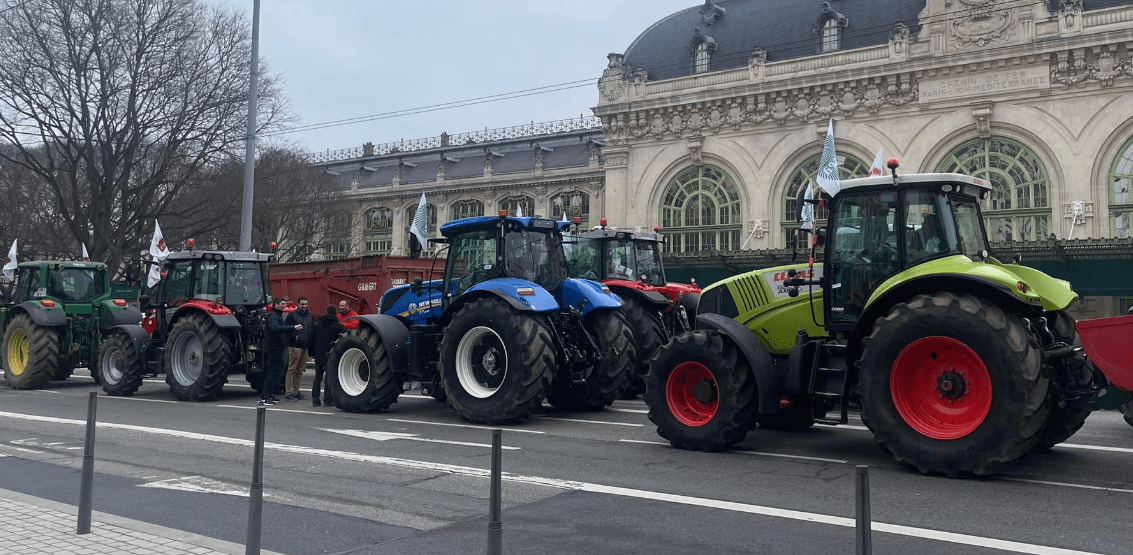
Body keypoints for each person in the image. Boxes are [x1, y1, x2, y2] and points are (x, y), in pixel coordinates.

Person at [261, 297, 301, 406]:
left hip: (278, 347)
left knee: (276, 373)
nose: (284, 305)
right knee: (273, 372)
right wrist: (292, 327)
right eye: (282, 303)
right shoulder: (272, 316)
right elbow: (275, 328)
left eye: (285, 304)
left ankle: (270, 394)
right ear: (276, 304)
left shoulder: (277, 315)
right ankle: (265, 397)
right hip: (273, 347)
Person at [310, 304, 345, 406]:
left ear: (325, 311)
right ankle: (328, 399)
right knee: (329, 377)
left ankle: (315, 400)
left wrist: (312, 353)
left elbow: (311, 340)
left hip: (319, 353)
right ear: (335, 313)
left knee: (318, 377)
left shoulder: (317, 324)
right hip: (331, 354)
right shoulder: (337, 326)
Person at [283, 296, 315, 401]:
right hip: (294, 346)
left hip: (305, 346)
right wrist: (294, 337)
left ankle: (296, 391)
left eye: (306, 304)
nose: (304, 306)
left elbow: (312, 327)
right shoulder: (292, 315)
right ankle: (289, 392)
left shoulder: (310, 314)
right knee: (292, 369)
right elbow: (287, 329)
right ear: (298, 304)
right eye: (302, 304)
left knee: (300, 370)